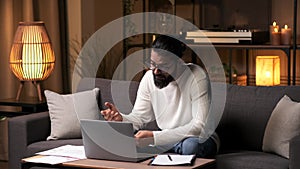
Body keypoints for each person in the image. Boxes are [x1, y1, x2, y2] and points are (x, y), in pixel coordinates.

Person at [101, 35, 219, 158]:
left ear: (179, 62)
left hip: (197, 138)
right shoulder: (148, 78)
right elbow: (139, 117)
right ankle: (170, 152)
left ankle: (165, 151)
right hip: (166, 139)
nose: (156, 71)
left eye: (163, 66)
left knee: (191, 146)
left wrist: (154, 137)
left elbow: (199, 126)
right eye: (152, 64)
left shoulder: (197, 76)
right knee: (126, 142)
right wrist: (121, 120)